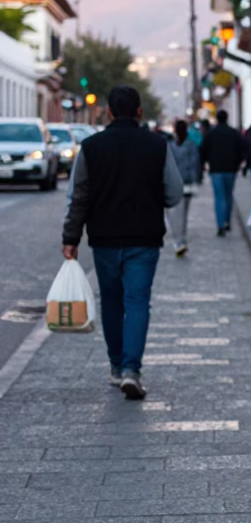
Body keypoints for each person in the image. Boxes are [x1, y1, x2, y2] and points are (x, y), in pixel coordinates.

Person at [61, 85, 182, 401]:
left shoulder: (90, 147)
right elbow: (174, 192)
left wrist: (71, 238)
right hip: (144, 238)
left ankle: (116, 367)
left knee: (112, 302)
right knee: (139, 300)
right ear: (140, 112)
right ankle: (132, 369)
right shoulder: (158, 145)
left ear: (109, 113)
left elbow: (79, 197)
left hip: (104, 239)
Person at [199, 110, 246, 236]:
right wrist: (238, 163)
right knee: (229, 195)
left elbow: (203, 150)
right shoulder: (234, 133)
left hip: (216, 170)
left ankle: (220, 225)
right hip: (230, 169)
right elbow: (242, 149)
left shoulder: (211, 134)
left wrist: (203, 164)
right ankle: (227, 221)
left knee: (219, 197)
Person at [166, 119, 201, 257]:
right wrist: (196, 178)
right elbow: (195, 163)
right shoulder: (191, 145)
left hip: (175, 184)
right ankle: (182, 239)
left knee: (176, 214)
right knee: (184, 214)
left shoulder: (171, 146)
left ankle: (179, 241)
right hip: (188, 183)